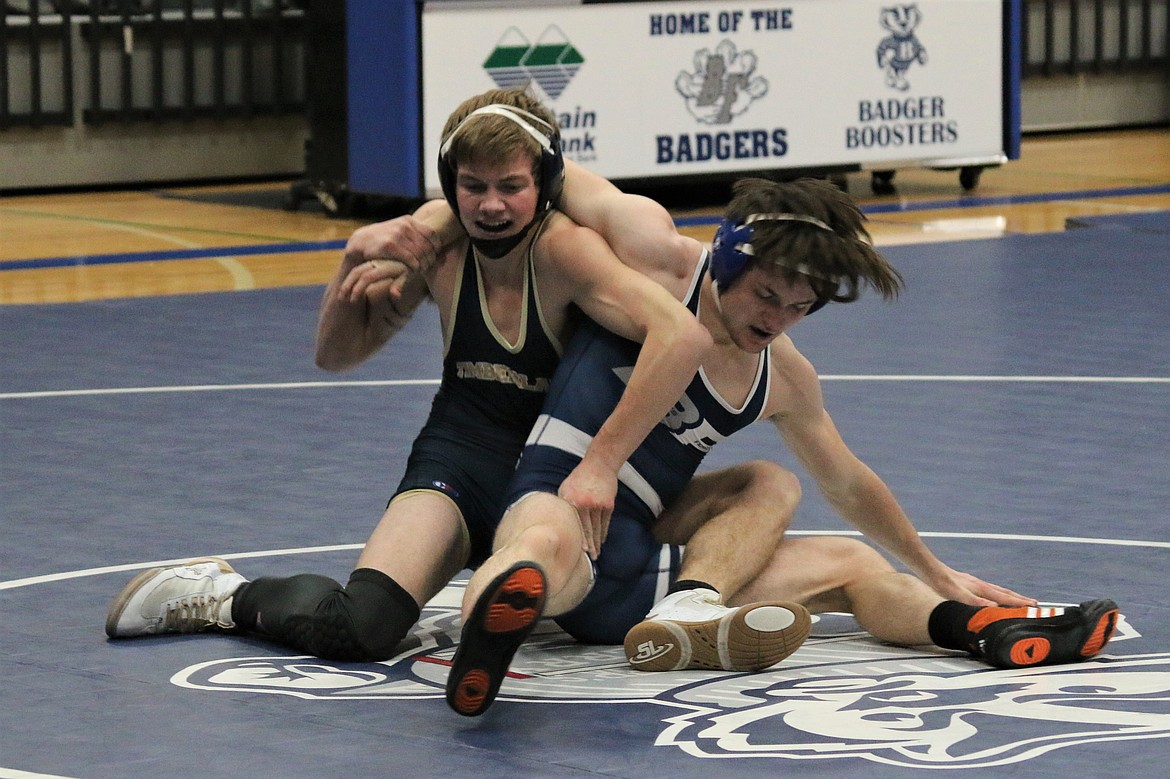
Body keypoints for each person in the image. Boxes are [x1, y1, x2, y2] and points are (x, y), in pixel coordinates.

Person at [446, 175, 1120, 716]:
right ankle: (487, 637)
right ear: (728, 259)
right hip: (566, 501)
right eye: (765, 295)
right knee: (543, 540)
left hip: (649, 563)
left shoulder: (784, 374)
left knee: (803, 511)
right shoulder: (657, 262)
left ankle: (977, 629)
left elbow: (848, 482)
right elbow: (550, 175)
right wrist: (426, 220)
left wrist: (939, 570)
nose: (774, 319)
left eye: (798, 308)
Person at [103, 87, 718, 664]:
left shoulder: (566, 249)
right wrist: (352, 260)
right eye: (473, 187)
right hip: (462, 458)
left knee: (610, 613)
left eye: (511, 186)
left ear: (549, 184)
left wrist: (602, 463)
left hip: (550, 478)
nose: (492, 205)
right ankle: (222, 594)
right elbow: (334, 357)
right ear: (451, 187)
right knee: (361, 626)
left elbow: (682, 336)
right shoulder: (437, 244)